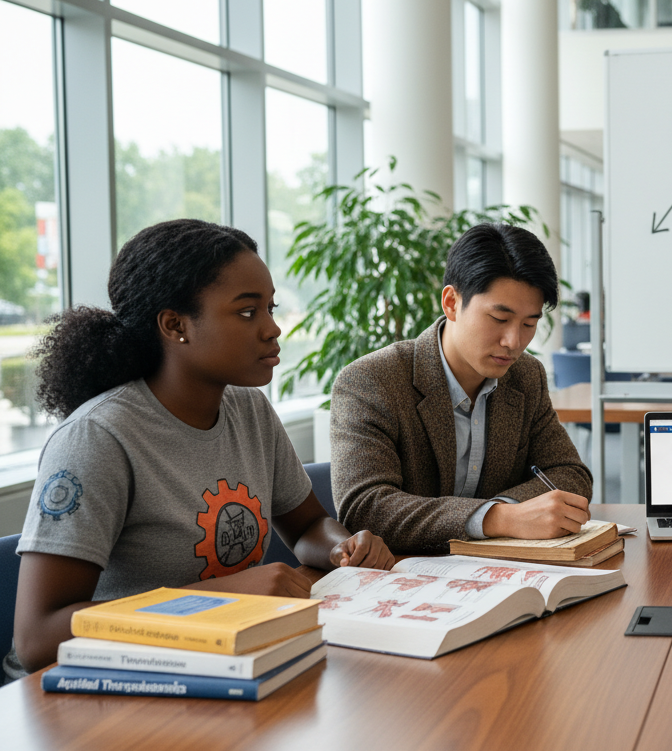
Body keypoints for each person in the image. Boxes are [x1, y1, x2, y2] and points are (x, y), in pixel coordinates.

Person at [10, 219, 393, 677]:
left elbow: (308, 525)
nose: (272, 329)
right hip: (110, 685)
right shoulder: (97, 438)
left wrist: (340, 548)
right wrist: (221, 596)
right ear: (175, 325)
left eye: (270, 308)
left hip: (218, 661)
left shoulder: (249, 410)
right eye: (247, 312)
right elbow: (36, 640)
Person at [331, 222, 592, 554]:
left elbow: (571, 475)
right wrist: (500, 519)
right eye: (499, 319)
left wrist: (510, 511)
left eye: (529, 323)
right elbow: (365, 508)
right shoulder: (372, 380)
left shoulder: (526, 377)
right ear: (452, 302)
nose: (514, 342)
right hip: (404, 578)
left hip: (501, 574)